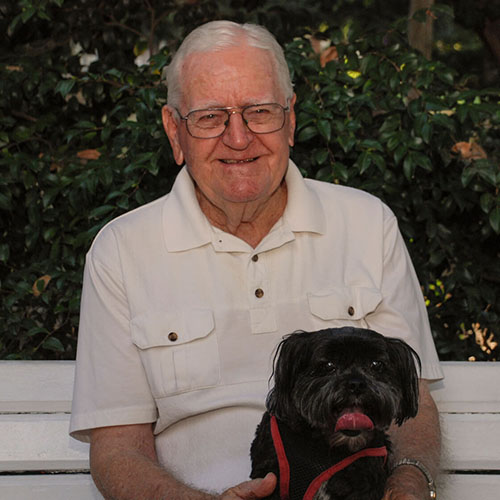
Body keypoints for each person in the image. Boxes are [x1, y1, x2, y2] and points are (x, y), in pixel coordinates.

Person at [70, 20, 443, 500]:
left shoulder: (368, 224)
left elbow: (416, 404)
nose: (239, 138)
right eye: (209, 117)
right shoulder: (121, 250)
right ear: (174, 132)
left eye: (259, 112)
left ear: (290, 119)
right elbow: (118, 448)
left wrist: (409, 484)